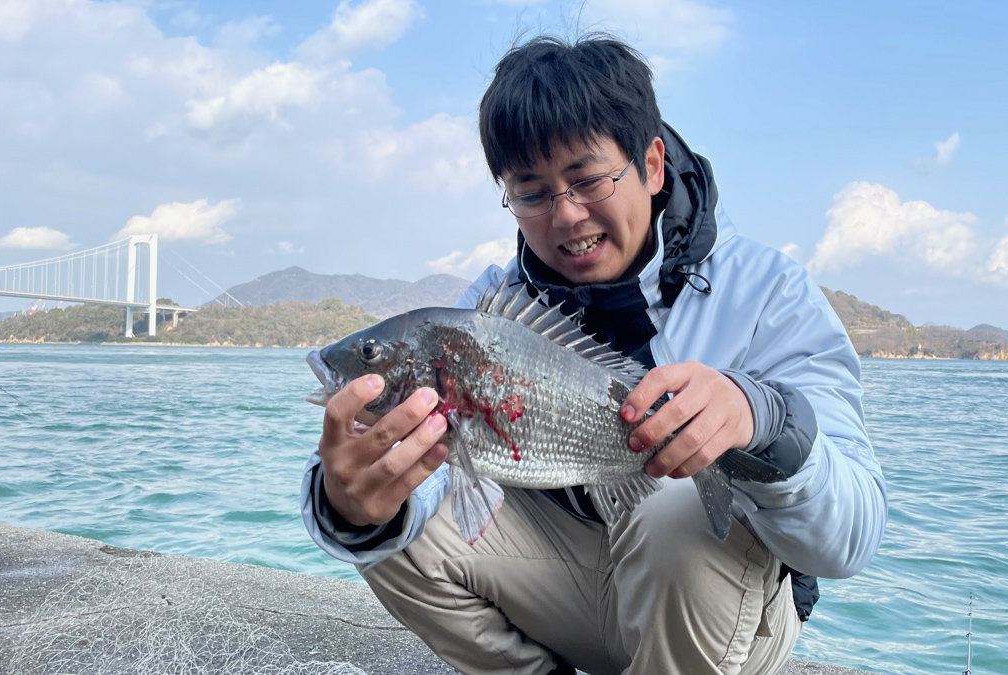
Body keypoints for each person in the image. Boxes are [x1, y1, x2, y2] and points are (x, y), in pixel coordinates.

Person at [301, 35, 887, 675]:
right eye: (532, 192)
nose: (567, 215)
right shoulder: (490, 310)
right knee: (394, 522)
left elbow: (851, 541)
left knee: (676, 505)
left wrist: (764, 419)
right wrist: (351, 502)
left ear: (652, 164)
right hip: (576, 598)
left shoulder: (769, 293)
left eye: (588, 179)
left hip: (727, 618)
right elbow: (436, 483)